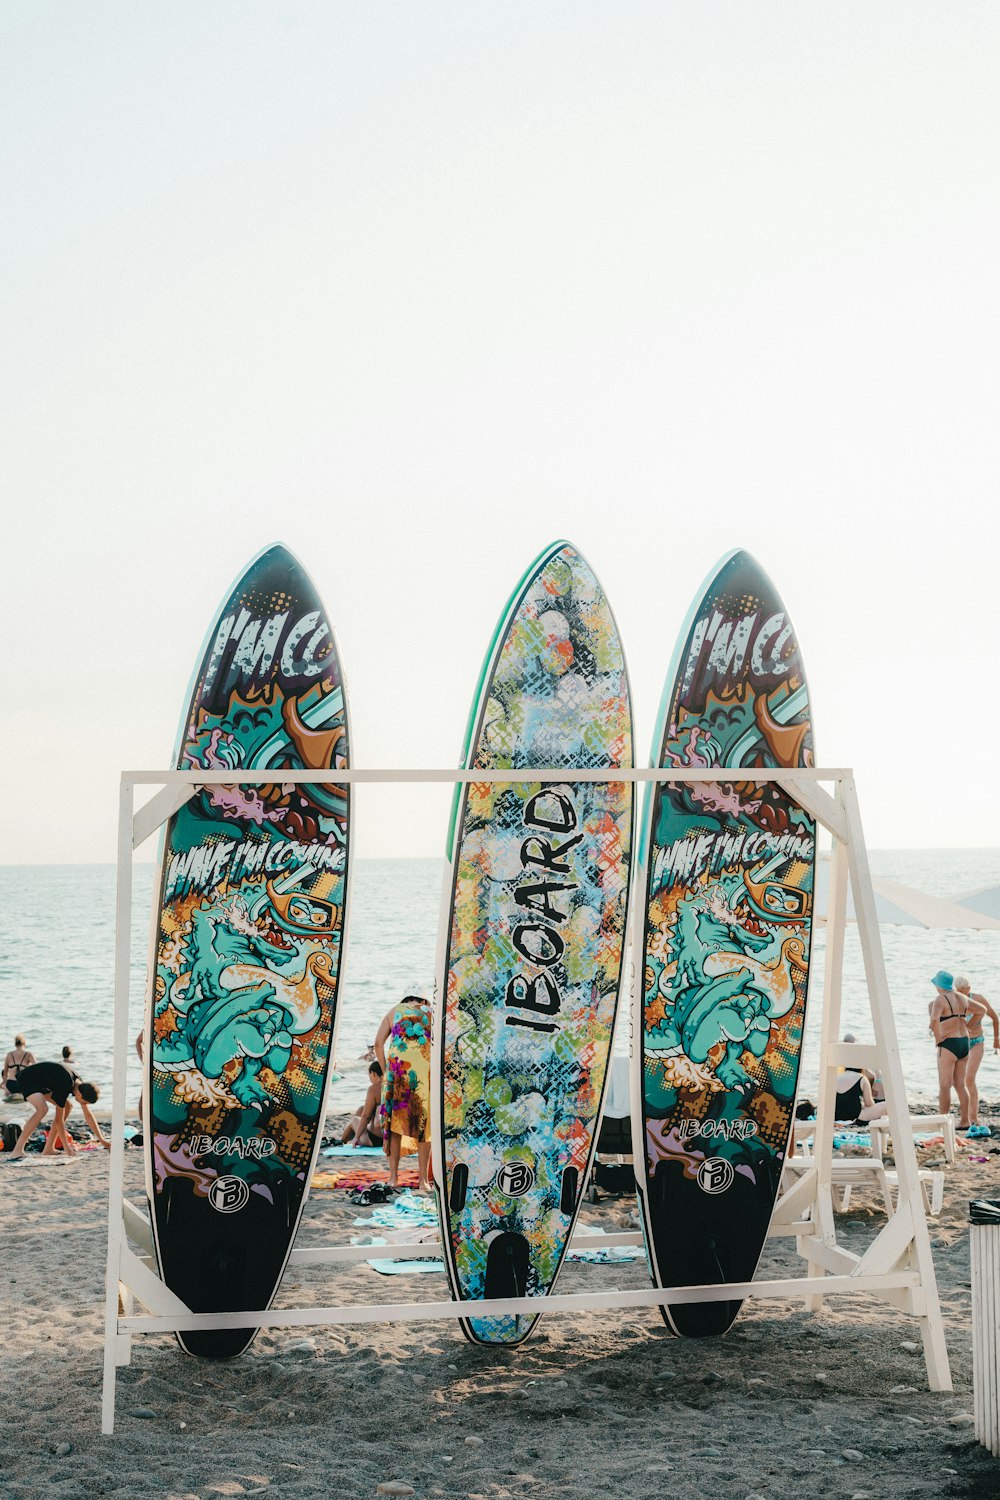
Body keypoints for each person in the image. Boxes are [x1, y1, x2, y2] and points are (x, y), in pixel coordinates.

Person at [375, 995, 432, 1192]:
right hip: (424, 1073)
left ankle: (393, 1178)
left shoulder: (394, 1010)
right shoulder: (431, 1012)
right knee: (424, 1126)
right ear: (422, 1002)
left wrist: (385, 1072)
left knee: (395, 1125)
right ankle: (423, 1181)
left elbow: (377, 1044)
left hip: (397, 1073)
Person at [1, 1060, 110, 1160]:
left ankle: (48, 1148)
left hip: (42, 1082)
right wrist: (66, 1147)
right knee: (42, 1109)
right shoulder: (66, 1084)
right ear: (80, 1094)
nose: (83, 1105)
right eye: (84, 1102)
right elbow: (59, 1121)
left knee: (68, 1106)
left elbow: (88, 1115)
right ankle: (17, 1150)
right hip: (26, 1080)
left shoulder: (80, 1084)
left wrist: (102, 1140)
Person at [954, 974, 999, 1135]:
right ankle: (964, 1118)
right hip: (961, 1043)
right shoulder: (956, 1001)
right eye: (957, 991)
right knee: (959, 1080)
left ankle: (974, 1118)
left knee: (969, 1079)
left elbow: (994, 1017)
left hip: (977, 1042)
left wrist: (996, 1039)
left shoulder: (978, 999)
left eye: (962, 991)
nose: (959, 993)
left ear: (968, 989)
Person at [928, 969, 972, 1128]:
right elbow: (981, 1010)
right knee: (961, 1084)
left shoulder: (940, 999)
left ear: (939, 985)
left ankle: (943, 1121)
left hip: (949, 1045)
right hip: (964, 1043)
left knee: (944, 1085)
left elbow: (934, 1020)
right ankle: (965, 1120)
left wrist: (938, 1039)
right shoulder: (962, 997)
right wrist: (969, 1026)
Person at [834, 1034, 888, 1124]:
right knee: (886, 1106)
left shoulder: (836, 1076)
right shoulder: (861, 1078)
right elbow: (869, 1103)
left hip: (836, 1115)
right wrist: (868, 1093)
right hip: (855, 1116)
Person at [341, 1061, 384, 1147]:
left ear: (373, 1073)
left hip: (377, 1140)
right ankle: (351, 1134)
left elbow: (365, 1117)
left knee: (354, 1120)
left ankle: (342, 1141)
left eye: (370, 1076)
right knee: (362, 1108)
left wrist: (357, 1137)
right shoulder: (393, 1086)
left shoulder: (374, 1089)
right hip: (393, 1138)